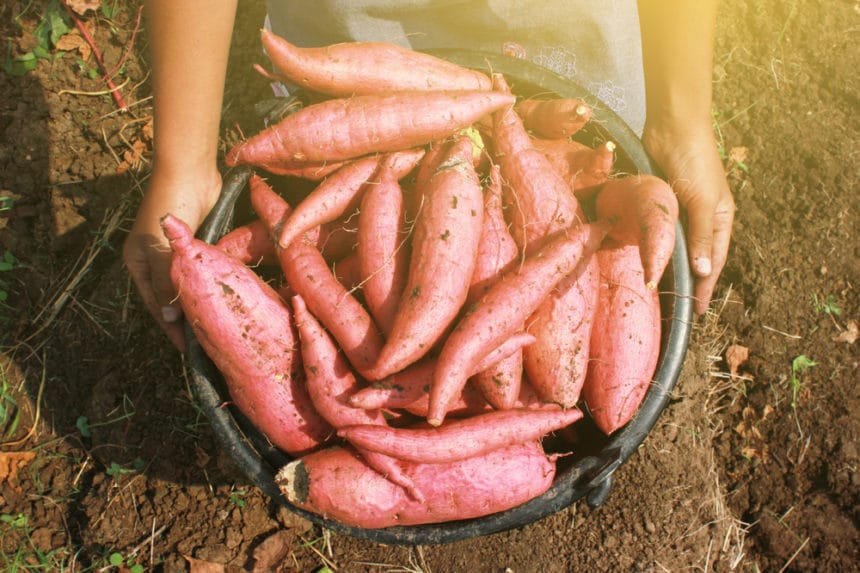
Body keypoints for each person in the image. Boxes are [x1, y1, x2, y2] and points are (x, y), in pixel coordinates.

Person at [124, 0, 735, 351]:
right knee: (348, 194)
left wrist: (681, 121)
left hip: (571, 30)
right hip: (362, 35)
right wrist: (182, 161)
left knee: (581, 194)